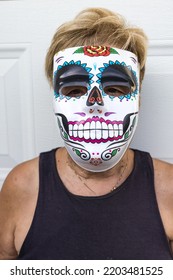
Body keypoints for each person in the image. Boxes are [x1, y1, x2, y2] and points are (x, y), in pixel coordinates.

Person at [0, 7, 173, 260]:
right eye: (73, 90)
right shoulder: (21, 186)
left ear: (138, 99)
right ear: (55, 98)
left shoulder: (168, 187)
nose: (95, 103)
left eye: (114, 88)